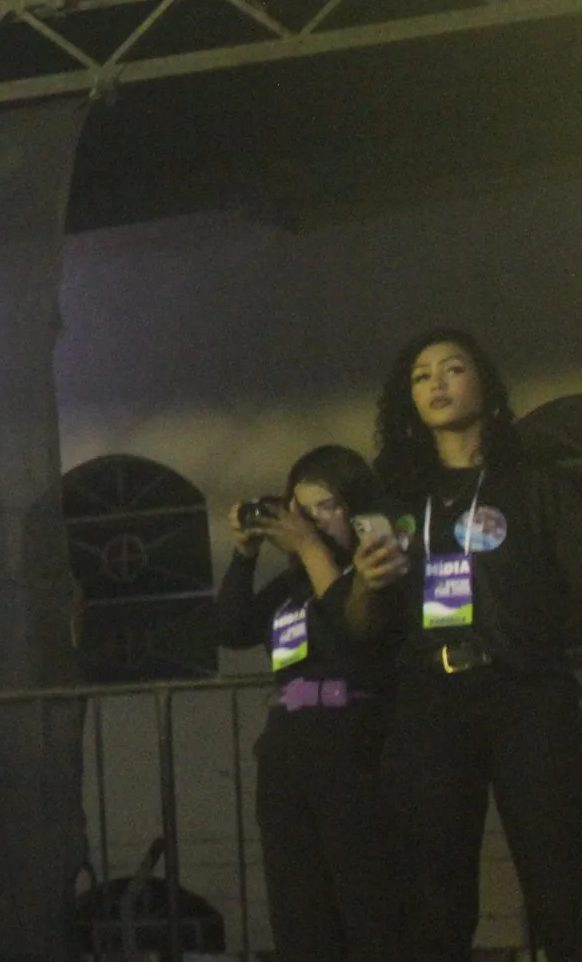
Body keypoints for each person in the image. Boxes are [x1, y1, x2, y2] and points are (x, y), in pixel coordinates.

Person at [356, 328, 582, 961]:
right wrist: (367, 583)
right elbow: (366, 625)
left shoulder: (532, 482)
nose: (436, 383)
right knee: (433, 890)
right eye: (421, 375)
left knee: (559, 877)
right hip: (431, 699)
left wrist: (540, 641)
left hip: (525, 692)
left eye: (452, 369)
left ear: (484, 383)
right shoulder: (400, 495)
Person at [213, 446, 398, 962]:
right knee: (298, 912)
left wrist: (312, 549)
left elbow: (354, 636)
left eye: (326, 506)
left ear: (356, 508)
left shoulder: (372, 573)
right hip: (288, 751)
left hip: (353, 750)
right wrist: (244, 554)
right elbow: (230, 628)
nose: (309, 521)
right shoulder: (289, 589)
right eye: (301, 509)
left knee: (366, 907)